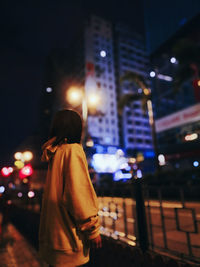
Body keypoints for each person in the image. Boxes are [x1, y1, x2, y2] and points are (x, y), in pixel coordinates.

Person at [39, 109, 102, 267]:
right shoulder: (73, 151)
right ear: (76, 128)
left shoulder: (55, 153)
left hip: (55, 244)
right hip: (71, 243)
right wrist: (92, 230)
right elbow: (78, 195)